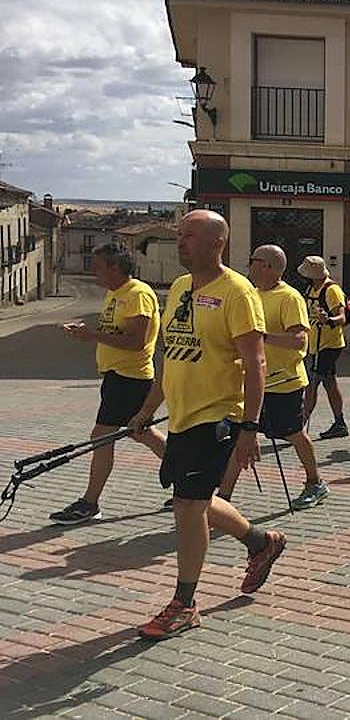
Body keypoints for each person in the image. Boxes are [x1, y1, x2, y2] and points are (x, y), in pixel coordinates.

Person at [127, 210, 284, 640]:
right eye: (179, 234)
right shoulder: (180, 287)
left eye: (190, 236)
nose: (180, 242)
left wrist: (250, 428)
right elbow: (170, 354)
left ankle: (185, 604)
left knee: (187, 505)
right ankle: (261, 542)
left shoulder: (238, 292)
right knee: (196, 498)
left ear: (217, 243)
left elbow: (256, 363)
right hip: (182, 414)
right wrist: (147, 409)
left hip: (218, 416)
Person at [51, 244, 164, 524]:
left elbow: (136, 342)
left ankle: (90, 503)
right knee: (142, 433)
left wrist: (92, 335)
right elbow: (113, 332)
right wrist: (86, 333)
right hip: (117, 377)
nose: (94, 272)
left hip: (130, 377)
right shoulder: (116, 293)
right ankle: (192, 480)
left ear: (115, 268)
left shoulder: (137, 294)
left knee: (102, 436)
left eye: (98, 267)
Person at [220, 245, 328, 510]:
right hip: (254, 381)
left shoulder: (289, 297)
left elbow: (299, 340)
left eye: (252, 261)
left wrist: (262, 337)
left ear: (266, 266)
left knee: (294, 434)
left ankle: (315, 482)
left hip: (283, 382)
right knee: (241, 436)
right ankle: (223, 497)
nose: (248, 266)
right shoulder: (251, 294)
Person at [298, 256, 350, 440]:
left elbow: (342, 318)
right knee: (329, 383)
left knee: (312, 383)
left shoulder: (331, 290)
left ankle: (299, 427)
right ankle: (340, 423)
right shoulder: (311, 289)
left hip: (328, 345)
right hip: (315, 345)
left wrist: (328, 319)